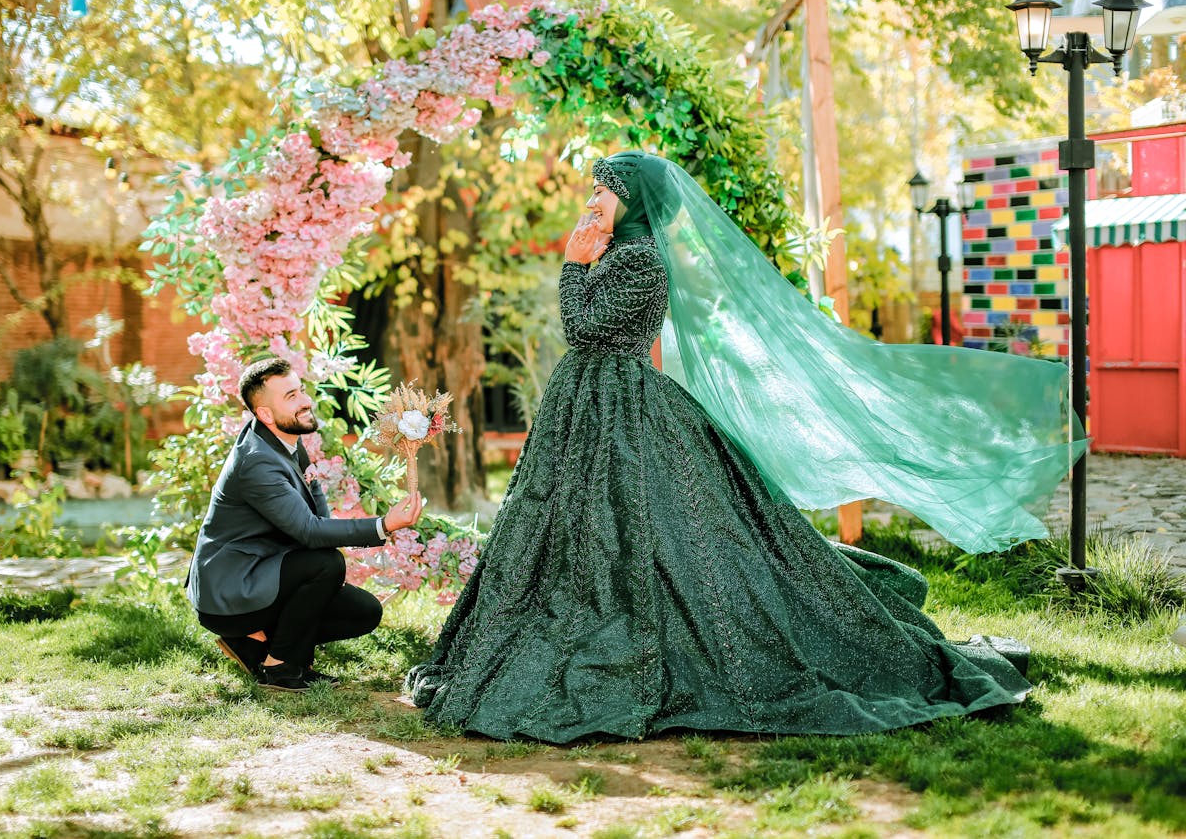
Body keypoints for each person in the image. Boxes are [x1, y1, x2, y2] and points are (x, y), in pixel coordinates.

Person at [404, 151, 1084, 742]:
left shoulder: (640, 260)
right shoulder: (618, 254)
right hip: (588, 408)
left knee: (655, 535)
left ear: (633, 200)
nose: (592, 199)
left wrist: (570, 267)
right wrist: (583, 264)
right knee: (573, 530)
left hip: (620, 405)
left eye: (604, 189)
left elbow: (584, 329)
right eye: (594, 188)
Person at [188, 357, 423, 692]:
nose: (305, 401)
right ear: (265, 414)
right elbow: (310, 532)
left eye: (301, 391)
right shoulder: (257, 463)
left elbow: (317, 520)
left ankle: (255, 644)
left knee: (364, 612)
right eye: (291, 397)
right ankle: (282, 666)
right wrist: (384, 524)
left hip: (262, 570)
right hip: (231, 590)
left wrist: (317, 491)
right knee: (325, 564)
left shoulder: (282, 441)